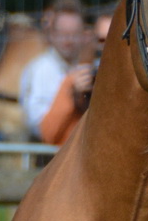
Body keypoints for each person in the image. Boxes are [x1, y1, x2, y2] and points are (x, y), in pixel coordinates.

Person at [18, 0, 90, 138]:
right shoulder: (39, 70)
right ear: (52, 33)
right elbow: (40, 128)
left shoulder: (88, 67)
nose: (68, 40)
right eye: (63, 33)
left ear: (84, 35)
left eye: (75, 33)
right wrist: (70, 90)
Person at [37, 8, 111, 147]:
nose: (106, 46)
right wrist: (73, 93)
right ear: (91, 39)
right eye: (101, 40)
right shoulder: (75, 79)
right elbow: (47, 133)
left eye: (114, 39)